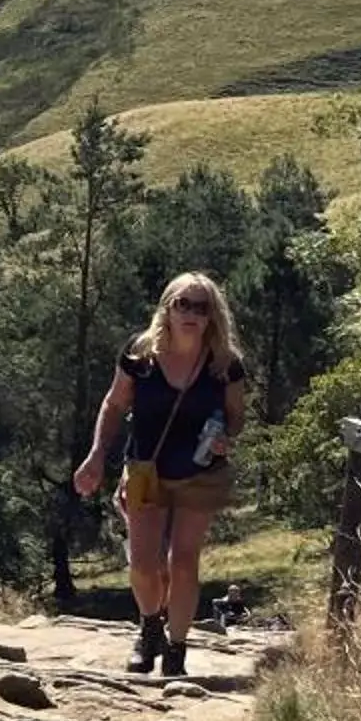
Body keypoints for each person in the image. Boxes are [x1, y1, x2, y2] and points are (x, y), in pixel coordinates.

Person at [72, 271, 247, 677]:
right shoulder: (141, 355)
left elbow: (237, 417)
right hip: (145, 468)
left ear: (212, 317)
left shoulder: (225, 365)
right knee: (144, 564)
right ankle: (150, 626)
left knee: (184, 561)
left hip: (200, 473)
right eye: (182, 304)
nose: (190, 313)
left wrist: (225, 436)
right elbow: (114, 406)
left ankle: (177, 650)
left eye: (201, 307)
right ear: (167, 308)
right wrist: (97, 455)